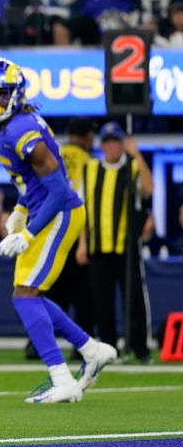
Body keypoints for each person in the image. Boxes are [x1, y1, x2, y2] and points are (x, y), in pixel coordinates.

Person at [0, 57, 116, 403]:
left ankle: (61, 376)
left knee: (25, 295)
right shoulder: (11, 124)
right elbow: (33, 183)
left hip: (59, 213)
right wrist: (20, 212)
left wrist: (27, 232)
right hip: (46, 210)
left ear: (16, 92)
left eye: (1, 93)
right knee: (29, 294)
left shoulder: (20, 129)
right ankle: (91, 349)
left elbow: (58, 189)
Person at [79, 122, 153, 363]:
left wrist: (137, 155)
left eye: (116, 141)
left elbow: (148, 189)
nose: (111, 146)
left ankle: (140, 348)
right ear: (101, 145)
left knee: (134, 300)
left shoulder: (132, 167)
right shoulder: (89, 169)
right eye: (107, 141)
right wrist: (82, 244)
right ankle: (109, 350)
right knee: (102, 302)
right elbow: (82, 210)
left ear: (123, 144)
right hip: (98, 247)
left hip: (126, 248)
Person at [24, 117, 97, 360]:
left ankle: (37, 345)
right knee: (84, 296)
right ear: (88, 136)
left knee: (47, 290)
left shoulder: (51, 151)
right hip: (74, 231)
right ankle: (81, 346)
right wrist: (84, 244)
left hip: (45, 228)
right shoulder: (88, 161)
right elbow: (81, 200)